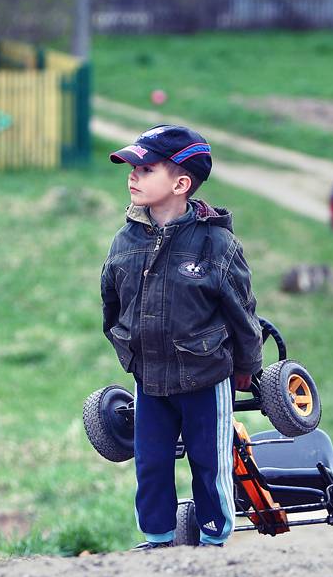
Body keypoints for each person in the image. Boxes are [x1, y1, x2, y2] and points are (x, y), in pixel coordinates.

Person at [101, 124, 263, 550]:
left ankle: (213, 537)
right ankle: (158, 538)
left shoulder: (216, 244)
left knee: (209, 461)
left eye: (145, 169)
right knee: (151, 463)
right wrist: (128, 349)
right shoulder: (125, 241)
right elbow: (111, 302)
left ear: (181, 184)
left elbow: (242, 312)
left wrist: (247, 365)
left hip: (205, 377)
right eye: (132, 168)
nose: (132, 175)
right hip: (150, 379)